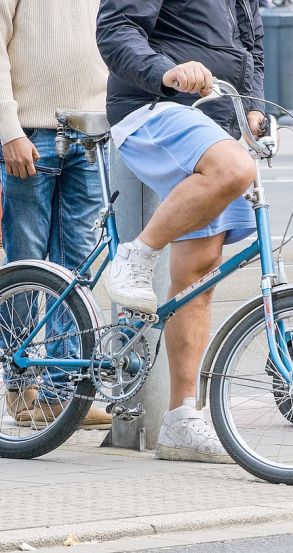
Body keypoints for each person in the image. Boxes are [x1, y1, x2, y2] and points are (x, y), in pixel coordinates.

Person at [96, 0, 266, 462]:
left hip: (217, 119)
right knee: (234, 169)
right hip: (154, 106)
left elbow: (250, 48)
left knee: (199, 275)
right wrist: (166, 71)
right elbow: (116, 27)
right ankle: (136, 255)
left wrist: (253, 109)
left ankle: (180, 420)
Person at [0, 0, 113, 430]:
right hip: (30, 134)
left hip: (91, 134)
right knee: (26, 263)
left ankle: (60, 391)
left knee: (78, 266)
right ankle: (19, 380)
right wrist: (8, 130)